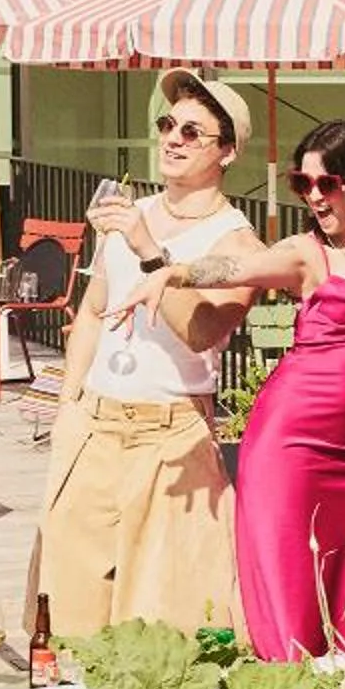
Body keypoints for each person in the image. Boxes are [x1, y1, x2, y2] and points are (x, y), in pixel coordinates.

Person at [106, 119, 345, 661]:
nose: (314, 197)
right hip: (292, 446)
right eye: (303, 185)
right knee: (296, 595)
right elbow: (236, 266)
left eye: (324, 184)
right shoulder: (307, 253)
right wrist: (171, 271)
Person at [34, 70, 257, 638]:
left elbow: (205, 331)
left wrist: (149, 251)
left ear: (227, 151)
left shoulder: (236, 241)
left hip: (172, 437)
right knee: (73, 612)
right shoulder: (131, 214)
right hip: (95, 425)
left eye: (192, 131)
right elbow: (91, 312)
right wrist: (69, 406)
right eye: (167, 124)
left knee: (166, 622)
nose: (173, 138)